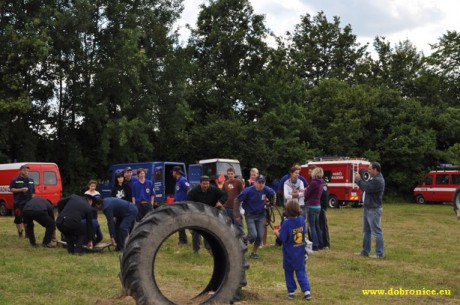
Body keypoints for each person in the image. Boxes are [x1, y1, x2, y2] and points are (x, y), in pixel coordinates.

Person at [274, 199, 312, 300]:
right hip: (300, 251)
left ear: (288, 210)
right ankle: (307, 291)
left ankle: (291, 292)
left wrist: (277, 232)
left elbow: (282, 238)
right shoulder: (301, 219)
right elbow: (304, 232)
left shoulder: (286, 223)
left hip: (289, 252)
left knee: (288, 272)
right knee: (301, 271)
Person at [234, 175, 276, 259]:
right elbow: (237, 200)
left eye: (262, 182)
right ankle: (243, 240)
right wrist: (236, 214)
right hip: (250, 214)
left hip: (261, 215)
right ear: (255, 182)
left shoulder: (266, 189)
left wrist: (271, 203)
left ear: (264, 183)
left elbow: (273, 194)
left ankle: (254, 252)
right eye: (259, 182)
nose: (260, 184)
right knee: (253, 235)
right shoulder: (248, 191)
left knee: (260, 235)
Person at [186, 175, 228, 253]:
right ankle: (196, 250)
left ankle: (209, 248)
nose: (206, 185)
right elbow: (188, 202)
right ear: (200, 183)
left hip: (211, 213)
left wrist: (220, 202)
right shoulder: (193, 191)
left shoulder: (214, 189)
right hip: (198, 213)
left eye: (207, 184)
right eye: (204, 184)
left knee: (210, 231)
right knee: (196, 232)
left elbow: (225, 195)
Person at [354, 162, 385, 258]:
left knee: (376, 232)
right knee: (366, 231)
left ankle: (379, 253)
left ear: (375, 170)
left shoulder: (378, 180)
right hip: (368, 208)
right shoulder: (374, 179)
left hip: (373, 209)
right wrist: (359, 181)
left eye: (370, 169)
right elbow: (365, 187)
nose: (368, 170)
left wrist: (359, 180)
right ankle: (365, 251)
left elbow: (367, 188)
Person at [10, 164, 35, 238]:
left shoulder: (31, 180)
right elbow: (11, 189)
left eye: (28, 170)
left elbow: (33, 192)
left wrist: (33, 201)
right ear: (20, 171)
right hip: (18, 203)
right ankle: (20, 233)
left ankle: (27, 233)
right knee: (18, 218)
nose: (26, 171)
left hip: (28, 203)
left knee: (27, 219)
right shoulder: (15, 180)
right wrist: (21, 190)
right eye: (24, 170)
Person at [304, 167, 324, 251]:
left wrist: (305, 191)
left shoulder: (314, 183)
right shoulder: (321, 183)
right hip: (318, 205)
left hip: (311, 205)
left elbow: (307, 194)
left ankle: (315, 245)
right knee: (317, 225)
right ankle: (321, 243)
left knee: (312, 226)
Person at [172, 166, 191, 244]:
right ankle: (182, 239)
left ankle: (184, 240)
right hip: (178, 203)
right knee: (179, 222)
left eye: (173, 172)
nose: (172, 173)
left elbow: (189, 189)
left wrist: (186, 201)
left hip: (182, 204)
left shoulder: (182, 180)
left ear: (176, 172)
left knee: (183, 222)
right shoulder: (178, 181)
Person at [319, 177, 330, 249]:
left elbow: (325, 196)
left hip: (321, 207)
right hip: (319, 206)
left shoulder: (322, 184)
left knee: (323, 226)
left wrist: (324, 207)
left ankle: (325, 243)